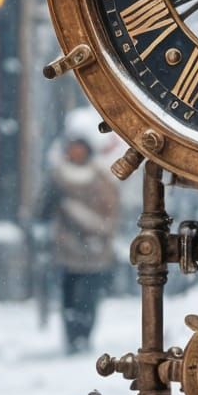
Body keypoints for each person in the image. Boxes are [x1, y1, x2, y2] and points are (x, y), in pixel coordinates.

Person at [40, 118, 120, 353]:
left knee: (88, 298)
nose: (75, 152)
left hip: (93, 250)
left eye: (79, 147)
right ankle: (72, 337)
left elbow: (110, 212)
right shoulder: (58, 177)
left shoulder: (100, 178)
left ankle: (84, 335)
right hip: (66, 250)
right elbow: (43, 209)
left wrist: (95, 229)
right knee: (68, 298)